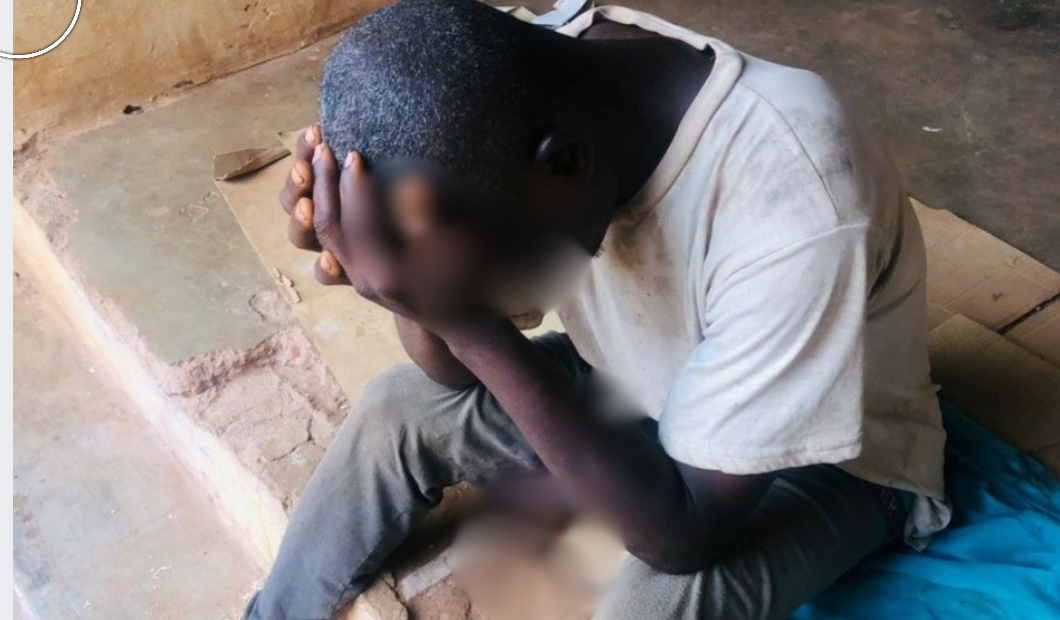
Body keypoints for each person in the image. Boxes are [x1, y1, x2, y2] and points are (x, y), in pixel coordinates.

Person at [246, 1, 950, 618]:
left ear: (563, 162)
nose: (487, 284)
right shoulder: (537, 104)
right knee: (399, 406)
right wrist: (400, 275)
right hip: (632, 384)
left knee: (653, 603)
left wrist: (463, 319)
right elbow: (451, 376)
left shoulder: (796, 195)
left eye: (486, 261)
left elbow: (682, 538)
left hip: (831, 458)